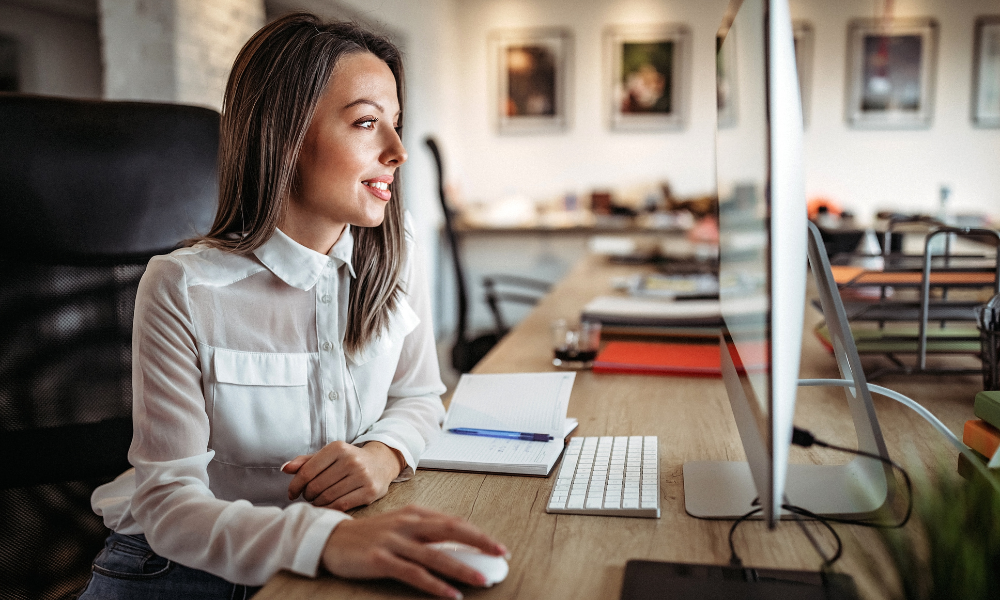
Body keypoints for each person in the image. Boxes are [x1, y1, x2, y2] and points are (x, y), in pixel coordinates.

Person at [78, 13, 505, 600]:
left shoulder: (395, 254)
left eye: (397, 126)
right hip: (180, 568)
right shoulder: (182, 287)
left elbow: (419, 396)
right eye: (366, 124)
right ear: (286, 135)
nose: (398, 152)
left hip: (340, 550)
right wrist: (323, 541)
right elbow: (168, 505)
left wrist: (382, 455)